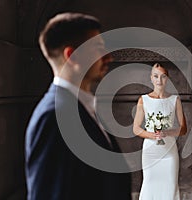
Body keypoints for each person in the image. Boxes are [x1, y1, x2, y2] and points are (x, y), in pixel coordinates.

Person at [25, 12, 131, 200]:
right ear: (72, 55)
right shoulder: (53, 117)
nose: (108, 58)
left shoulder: (81, 108)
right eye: (98, 49)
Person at [133, 63, 187, 200]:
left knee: (170, 185)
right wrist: (151, 135)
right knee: (149, 184)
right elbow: (136, 128)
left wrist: (167, 133)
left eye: (163, 77)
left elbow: (183, 129)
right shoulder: (143, 100)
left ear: (167, 79)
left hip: (169, 150)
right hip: (150, 151)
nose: (159, 80)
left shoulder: (175, 100)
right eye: (156, 76)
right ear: (151, 78)